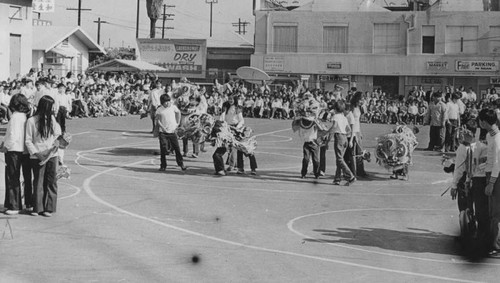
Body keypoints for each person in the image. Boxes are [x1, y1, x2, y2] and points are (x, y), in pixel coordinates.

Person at [25, 95, 62, 217]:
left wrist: (54, 147)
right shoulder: (31, 121)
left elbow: (58, 135)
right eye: (51, 106)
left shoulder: (52, 119)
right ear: (45, 107)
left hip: (52, 155)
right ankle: (37, 207)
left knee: (51, 181)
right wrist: (37, 153)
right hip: (37, 156)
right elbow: (28, 140)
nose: (53, 108)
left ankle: (49, 207)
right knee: (38, 181)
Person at [2, 94, 32, 215]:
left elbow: (13, 136)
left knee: (12, 177)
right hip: (25, 150)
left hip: (14, 150)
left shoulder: (14, 117)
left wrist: (5, 146)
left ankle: (14, 205)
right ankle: (29, 203)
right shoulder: (25, 116)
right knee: (27, 177)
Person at [155, 94, 187, 172]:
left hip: (172, 131)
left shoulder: (173, 107)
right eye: (166, 102)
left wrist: (177, 123)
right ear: (162, 102)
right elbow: (158, 120)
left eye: (169, 101)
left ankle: (181, 164)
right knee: (163, 148)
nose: (168, 103)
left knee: (177, 148)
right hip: (163, 132)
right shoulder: (159, 110)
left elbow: (178, 113)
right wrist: (163, 128)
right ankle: (163, 165)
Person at [330, 101, 355, 185]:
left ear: (335, 108)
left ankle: (350, 176)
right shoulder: (343, 117)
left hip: (339, 137)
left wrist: (327, 134)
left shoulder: (335, 116)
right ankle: (337, 178)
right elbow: (349, 129)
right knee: (340, 159)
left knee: (339, 159)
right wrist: (344, 134)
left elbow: (333, 127)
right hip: (345, 138)